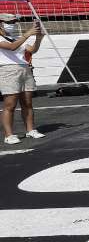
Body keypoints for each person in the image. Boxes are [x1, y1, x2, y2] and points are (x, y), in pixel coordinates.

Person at [0, 12, 44, 144]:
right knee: (10, 104)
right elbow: (11, 47)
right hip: (7, 70)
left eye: (14, 22)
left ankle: (30, 130)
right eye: (10, 22)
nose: (13, 24)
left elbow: (32, 50)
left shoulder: (16, 37)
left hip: (24, 68)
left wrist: (38, 38)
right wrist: (28, 33)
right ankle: (8, 135)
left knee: (27, 102)